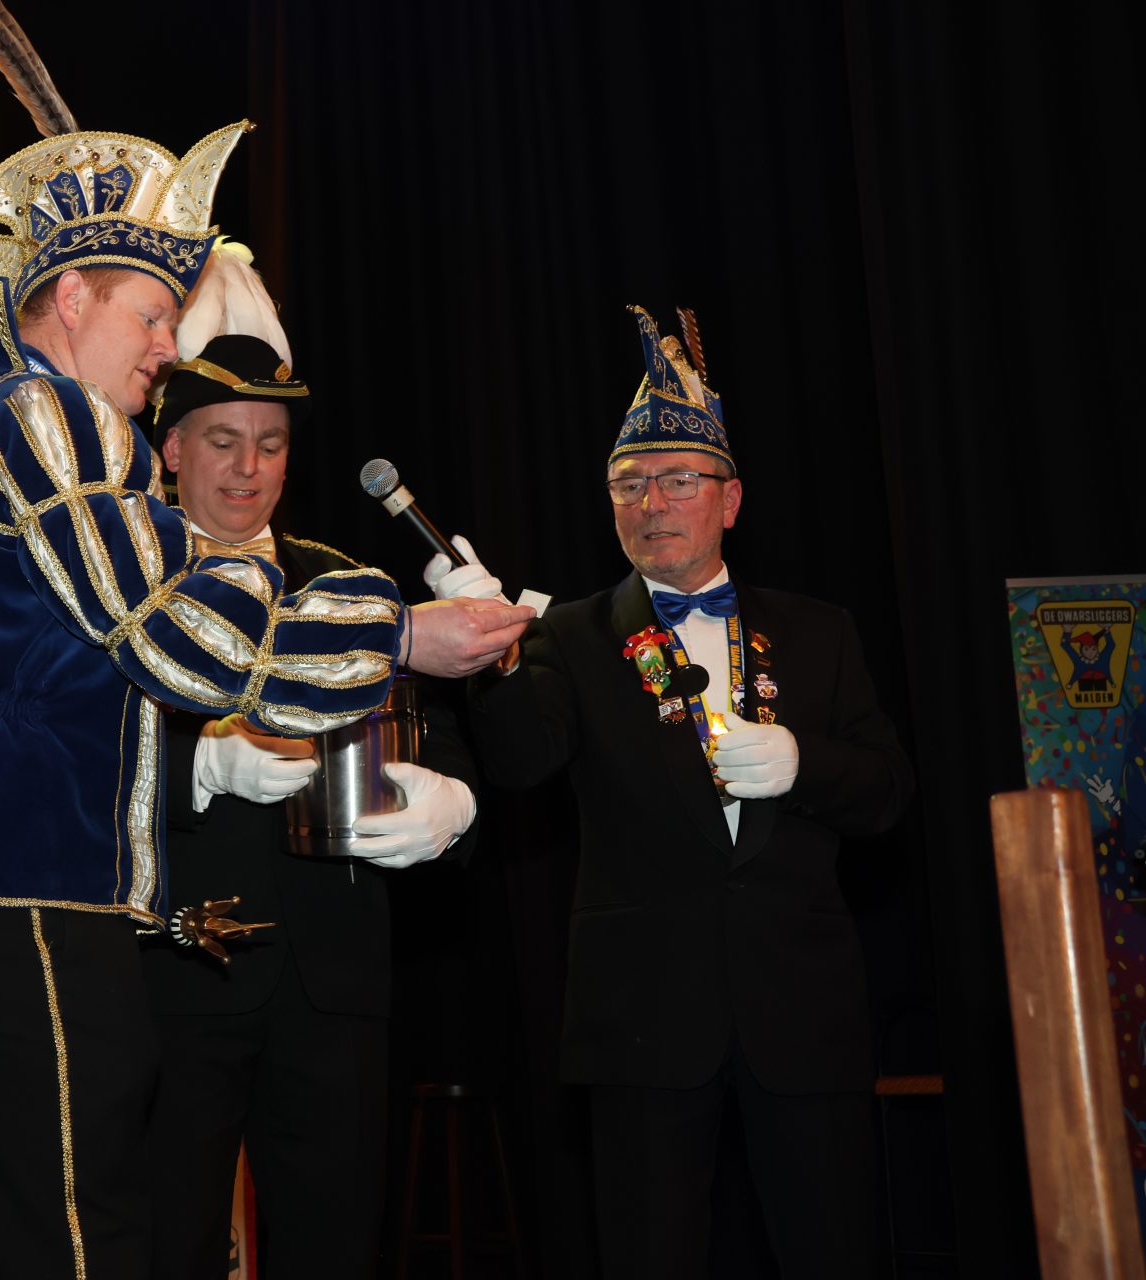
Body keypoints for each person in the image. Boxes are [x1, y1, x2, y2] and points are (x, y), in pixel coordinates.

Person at [0, 124, 523, 1278]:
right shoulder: (43, 415)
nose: (165, 346)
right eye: (150, 315)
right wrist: (402, 631)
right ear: (70, 296)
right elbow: (170, 628)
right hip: (36, 904)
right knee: (82, 1245)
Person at [438, 306, 913, 1279]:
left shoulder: (818, 631)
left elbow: (888, 793)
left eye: (678, 480)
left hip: (802, 1010)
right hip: (644, 1016)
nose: (652, 502)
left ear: (730, 499)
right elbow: (522, 760)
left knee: (835, 1251)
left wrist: (802, 762)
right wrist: (494, 655)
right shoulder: (570, 634)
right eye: (630, 484)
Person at [137, 244, 480, 1279]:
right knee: (161, 1247)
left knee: (333, 1249)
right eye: (223, 440)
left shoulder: (348, 585)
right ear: (170, 449)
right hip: (174, 977)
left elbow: (437, 736)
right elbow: (66, 754)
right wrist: (199, 765)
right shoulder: (127, 581)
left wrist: (453, 806)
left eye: (272, 444)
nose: (249, 468)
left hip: (334, 983)